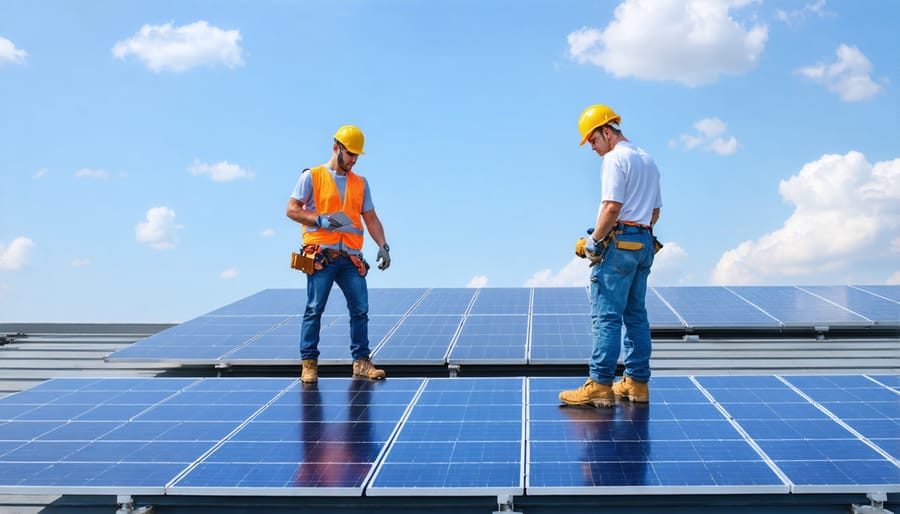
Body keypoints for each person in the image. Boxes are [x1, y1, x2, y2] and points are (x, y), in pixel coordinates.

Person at [559, 105, 662, 408]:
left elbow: (611, 208)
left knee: (606, 317)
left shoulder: (615, 158)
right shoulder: (648, 160)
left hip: (620, 245)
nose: (592, 148)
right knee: (636, 316)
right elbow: (654, 212)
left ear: (607, 131)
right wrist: (634, 233)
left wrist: (593, 243)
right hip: (645, 240)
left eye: (592, 140)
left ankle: (600, 384)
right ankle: (636, 382)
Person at [286, 125, 391, 383]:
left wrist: (383, 245)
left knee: (360, 310)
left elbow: (371, 218)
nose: (354, 160)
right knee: (314, 308)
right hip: (321, 255)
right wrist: (317, 219)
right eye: (350, 154)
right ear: (337, 148)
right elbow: (291, 209)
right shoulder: (313, 176)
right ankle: (309, 363)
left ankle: (361, 362)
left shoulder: (360, 183)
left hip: (351, 257)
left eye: (357, 155)